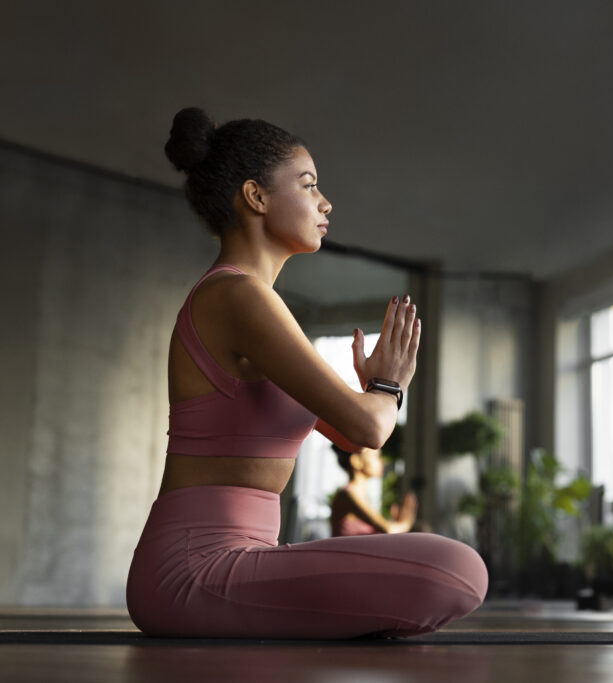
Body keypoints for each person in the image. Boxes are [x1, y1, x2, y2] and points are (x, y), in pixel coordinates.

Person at [126, 108, 487, 639]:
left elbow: (352, 434)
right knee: (459, 570)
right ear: (256, 197)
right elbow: (371, 428)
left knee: (448, 572)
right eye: (309, 183)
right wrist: (389, 386)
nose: (325, 202)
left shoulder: (257, 303)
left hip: (237, 555)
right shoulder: (238, 297)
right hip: (193, 566)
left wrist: (371, 394)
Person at [330, 444, 418, 536]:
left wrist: (396, 521)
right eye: (376, 456)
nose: (382, 461)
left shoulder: (358, 495)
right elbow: (388, 530)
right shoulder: (347, 495)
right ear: (356, 461)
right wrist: (406, 522)